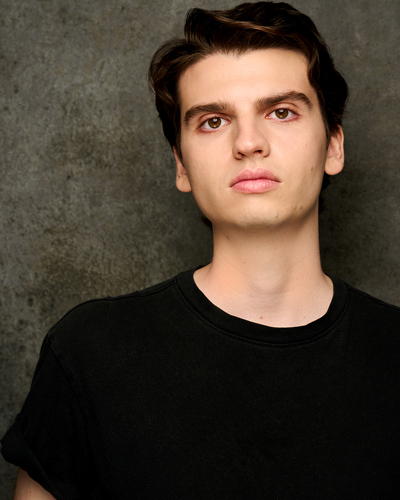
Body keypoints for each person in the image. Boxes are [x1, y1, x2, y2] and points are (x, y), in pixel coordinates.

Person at [2, 2, 400, 499]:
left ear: (333, 146)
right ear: (182, 165)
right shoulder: (89, 354)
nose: (248, 142)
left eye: (281, 112)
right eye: (213, 121)